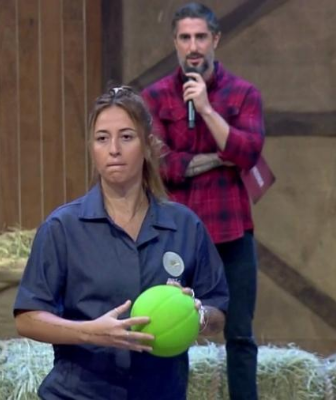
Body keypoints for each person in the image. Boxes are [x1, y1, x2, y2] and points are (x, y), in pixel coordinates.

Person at [14, 86, 229, 400]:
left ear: (148, 146)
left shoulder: (185, 226)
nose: (113, 149)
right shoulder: (62, 228)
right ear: (92, 148)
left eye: (126, 137)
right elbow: (27, 318)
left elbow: (218, 310)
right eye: (102, 138)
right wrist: (90, 332)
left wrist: (198, 316)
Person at [141, 3, 265, 400]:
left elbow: (248, 152)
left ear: (215, 40)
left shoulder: (244, 94)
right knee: (170, 332)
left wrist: (207, 108)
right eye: (185, 38)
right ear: (175, 43)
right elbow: (161, 164)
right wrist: (218, 156)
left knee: (240, 335)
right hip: (177, 235)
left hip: (232, 232)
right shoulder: (155, 97)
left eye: (200, 37)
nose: (193, 46)